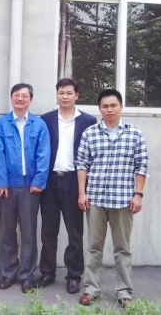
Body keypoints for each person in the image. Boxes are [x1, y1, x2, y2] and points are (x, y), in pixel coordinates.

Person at [77, 89, 149, 308]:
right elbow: (82, 164)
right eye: (105, 106)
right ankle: (91, 289)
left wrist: (138, 194)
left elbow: (141, 166)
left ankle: (124, 292)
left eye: (113, 105)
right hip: (96, 200)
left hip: (123, 201)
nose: (109, 110)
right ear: (100, 109)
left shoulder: (134, 134)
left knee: (122, 249)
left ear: (121, 107)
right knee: (93, 248)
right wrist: (82, 192)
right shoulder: (90, 133)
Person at [36, 78, 97, 294]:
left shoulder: (88, 121)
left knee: (74, 231)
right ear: (57, 95)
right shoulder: (46, 119)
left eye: (69, 93)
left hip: (74, 181)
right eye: (61, 93)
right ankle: (47, 272)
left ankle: (73, 275)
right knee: (48, 230)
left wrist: (85, 188)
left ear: (76, 96)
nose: (65, 96)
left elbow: (91, 154)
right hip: (50, 180)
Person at [0, 83, 50, 293]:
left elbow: (44, 154)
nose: (20, 98)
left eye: (24, 96)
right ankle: (9, 273)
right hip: (8, 186)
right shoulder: (1, 123)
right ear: (11, 98)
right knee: (7, 231)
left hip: (30, 186)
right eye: (16, 95)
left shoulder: (39, 124)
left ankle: (27, 275)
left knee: (28, 233)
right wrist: (1, 182)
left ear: (30, 100)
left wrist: (39, 181)